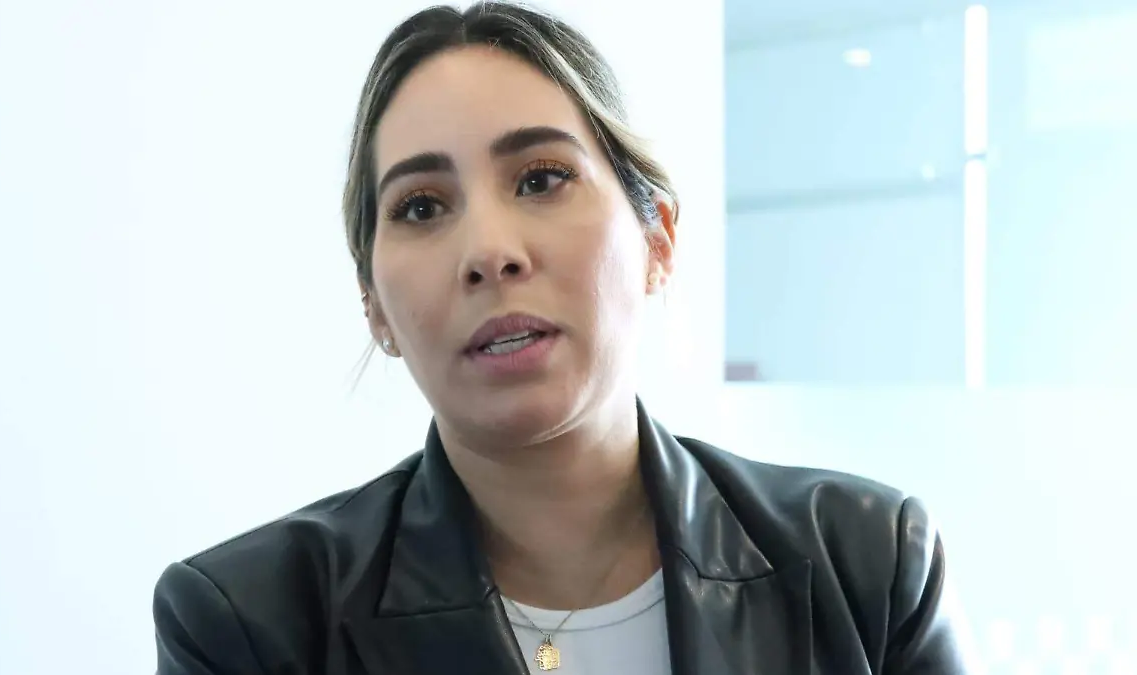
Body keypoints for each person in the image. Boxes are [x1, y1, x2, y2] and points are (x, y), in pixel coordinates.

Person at [152, 3, 975, 674]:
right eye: (422, 206)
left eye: (542, 179)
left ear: (658, 239)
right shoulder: (249, 624)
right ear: (375, 307)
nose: (489, 251)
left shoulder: (867, 565)